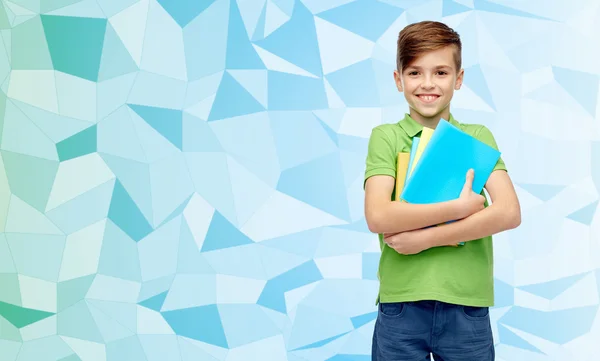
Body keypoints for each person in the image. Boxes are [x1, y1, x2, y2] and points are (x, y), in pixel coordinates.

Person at [363, 20, 521, 360]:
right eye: (415, 73)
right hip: (401, 304)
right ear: (398, 79)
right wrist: (460, 208)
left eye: (441, 72)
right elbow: (378, 216)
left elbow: (508, 212)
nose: (428, 84)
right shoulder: (387, 137)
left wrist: (422, 238)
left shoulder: (476, 136)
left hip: (467, 305)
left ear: (459, 79)